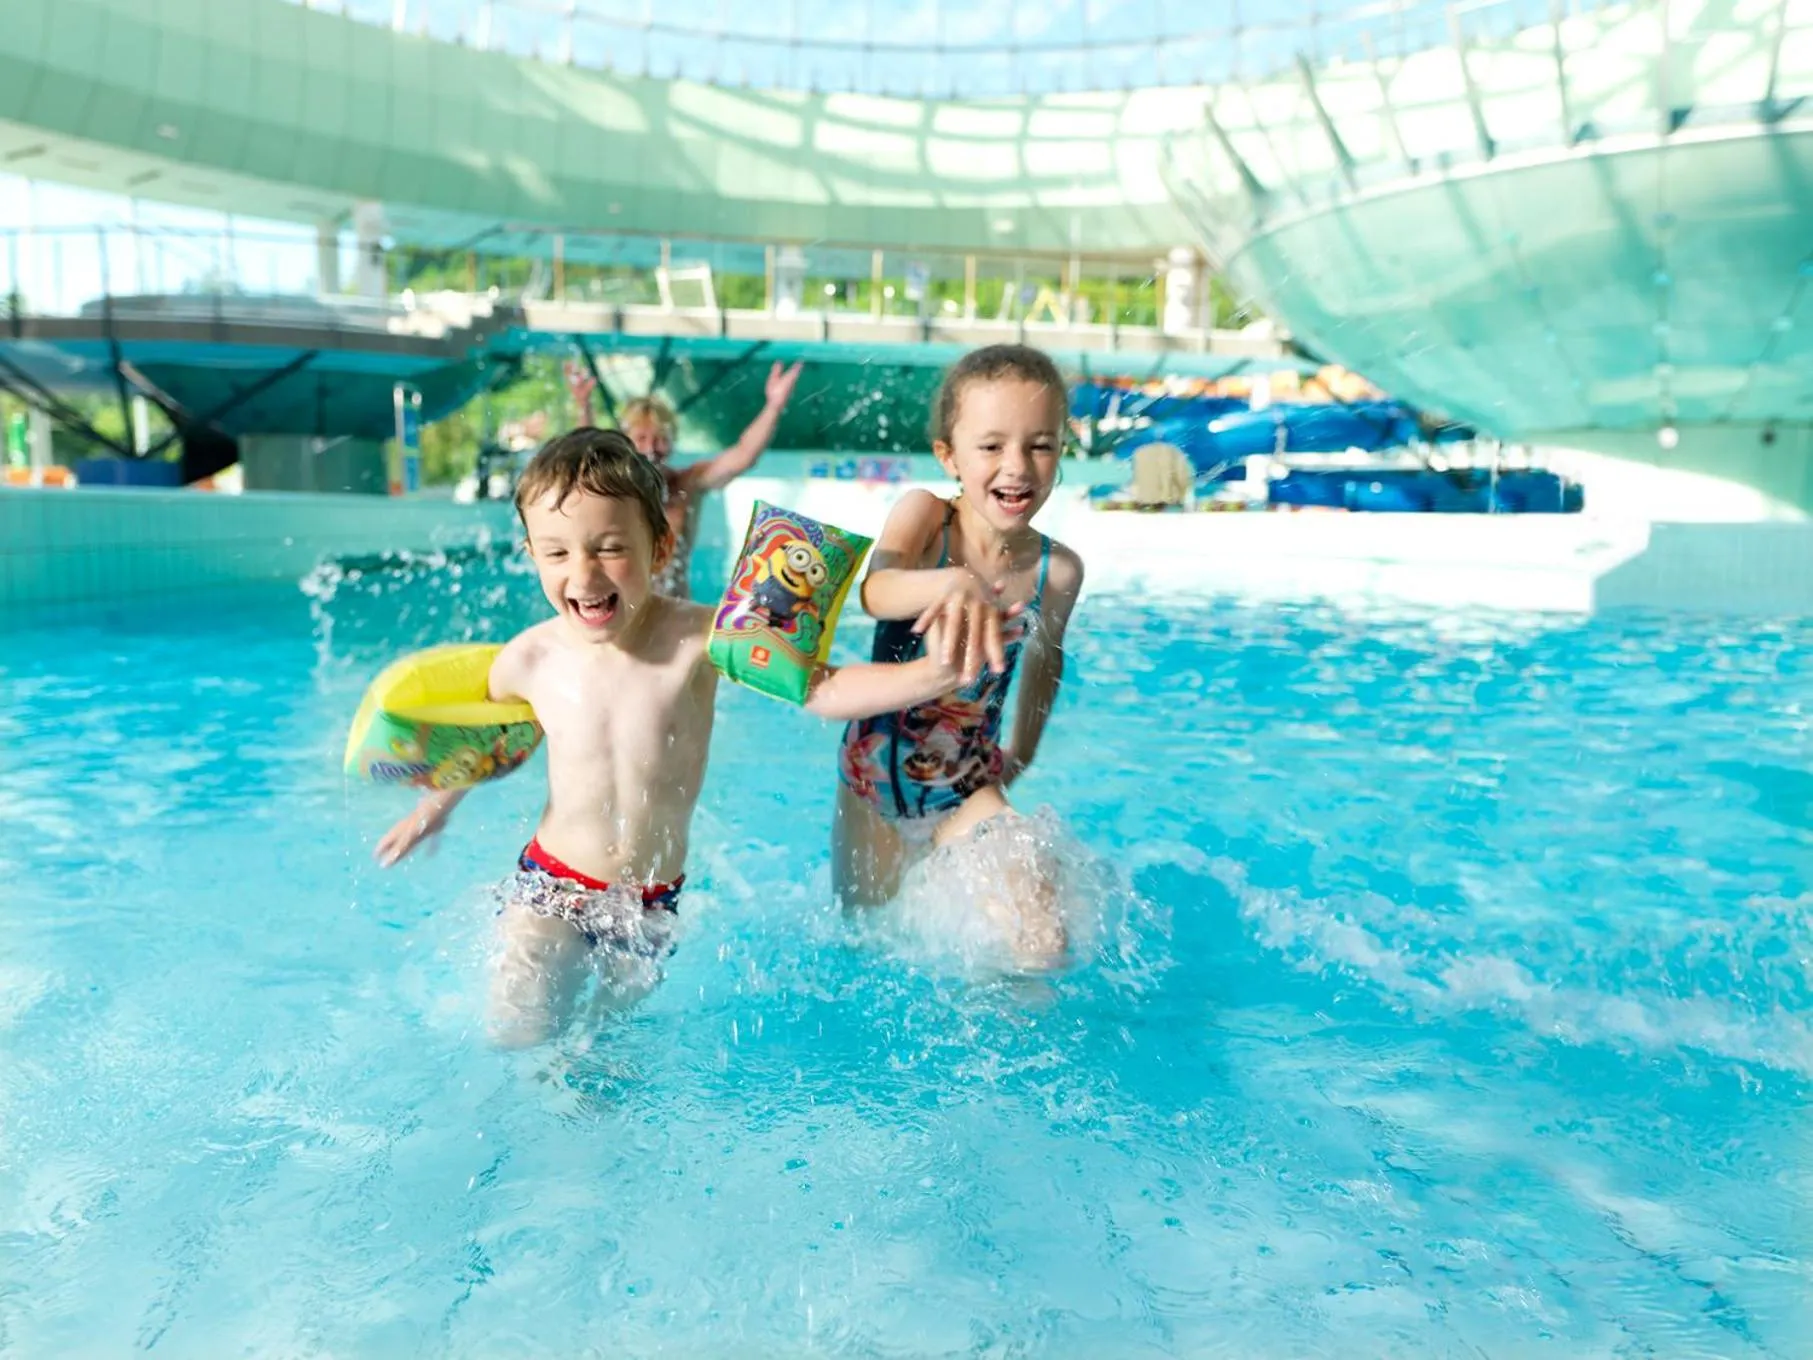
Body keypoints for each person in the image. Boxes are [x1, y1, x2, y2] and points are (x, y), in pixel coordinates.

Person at [374, 428, 968, 1047]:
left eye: (608, 548)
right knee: (518, 1029)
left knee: (601, 1063)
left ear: (660, 548)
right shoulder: (530, 658)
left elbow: (821, 690)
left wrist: (933, 674)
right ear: (530, 553)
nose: (584, 574)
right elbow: (489, 744)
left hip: (649, 904)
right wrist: (431, 809)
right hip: (553, 884)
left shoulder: (704, 638)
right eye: (557, 554)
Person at [835, 345, 1085, 968]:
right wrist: (948, 583)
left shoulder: (1058, 570)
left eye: (1041, 445)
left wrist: (1021, 754)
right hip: (873, 777)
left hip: (966, 778)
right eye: (992, 446)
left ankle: (1014, 1050)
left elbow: (1045, 666)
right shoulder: (927, 519)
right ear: (949, 455)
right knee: (865, 944)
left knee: (1041, 938)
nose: (1017, 467)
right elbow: (875, 590)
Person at [620, 360, 804, 596]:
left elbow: (744, 455)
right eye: (641, 438)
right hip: (629, 613)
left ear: (673, 441)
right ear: (623, 442)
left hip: (676, 611)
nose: (651, 448)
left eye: (660, 438)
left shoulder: (690, 482)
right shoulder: (615, 491)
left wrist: (774, 407)